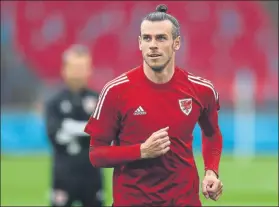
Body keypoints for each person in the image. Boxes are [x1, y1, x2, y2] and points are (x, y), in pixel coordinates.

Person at [84, 4, 223, 206]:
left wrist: (211, 170)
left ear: (176, 43)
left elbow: (212, 133)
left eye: (161, 38)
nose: (153, 45)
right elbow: (96, 154)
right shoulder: (115, 91)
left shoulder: (201, 89)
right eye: (147, 38)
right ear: (139, 43)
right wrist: (141, 151)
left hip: (184, 201)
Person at [45, 44, 103, 207]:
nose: (78, 72)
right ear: (64, 69)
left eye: (82, 67)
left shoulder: (99, 100)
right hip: (63, 176)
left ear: (89, 69)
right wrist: (88, 131)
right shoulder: (54, 103)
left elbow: (104, 135)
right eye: (74, 67)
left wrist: (70, 128)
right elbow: (55, 136)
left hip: (92, 176)